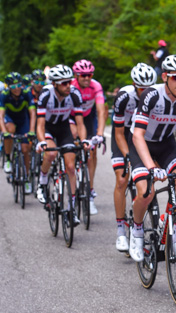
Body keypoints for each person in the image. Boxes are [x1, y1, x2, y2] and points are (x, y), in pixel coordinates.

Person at [128, 54, 176, 262]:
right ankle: (136, 230)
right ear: (164, 77)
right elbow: (137, 135)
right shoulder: (152, 95)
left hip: (165, 144)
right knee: (146, 192)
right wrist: (152, 167)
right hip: (140, 143)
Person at [111, 62, 157, 252]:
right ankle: (121, 229)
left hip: (144, 137)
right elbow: (119, 133)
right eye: (141, 89)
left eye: (148, 88)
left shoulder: (157, 96)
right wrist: (128, 156)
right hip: (124, 137)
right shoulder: (124, 97)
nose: (144, 92)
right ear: (134, 85)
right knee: (122, 180)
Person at [35, 64, 89, 226]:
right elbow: (39, 125)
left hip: (64, 127)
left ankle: (72, 209)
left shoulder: (74, 94)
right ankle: (42, 182)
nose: (68, 86)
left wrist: (84, 140)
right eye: (64, 83)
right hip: (49, 128)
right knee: (51, 154)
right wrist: (42, 142)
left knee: (71, 167)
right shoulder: (46, 94)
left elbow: (80, 123)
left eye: (69, 82)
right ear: (54, 84)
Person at [71, 59, 107, 215]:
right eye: (83, 75)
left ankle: (90, 192)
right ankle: (71, 185)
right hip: (71, 117)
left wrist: (99, 134)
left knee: (92, 152)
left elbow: (101, 111)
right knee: (73, 140)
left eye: (89, 75)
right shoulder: (71, 87)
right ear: (76, 75)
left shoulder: (95, 86)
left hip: (89, 116)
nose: (87, 78)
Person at [0, 72, 36, 190]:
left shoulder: (26, 94)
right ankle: (8, 159)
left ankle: (26, 178)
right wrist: (4, 131)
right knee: (10, 131)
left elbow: (32, 113)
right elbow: (0, 115)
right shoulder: (4, 95)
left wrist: (31, 130)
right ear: (8, 87)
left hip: (23, 120)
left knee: (26, 150)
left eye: (19, 85)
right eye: (13, 86)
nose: (17, 88)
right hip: (10, 119)